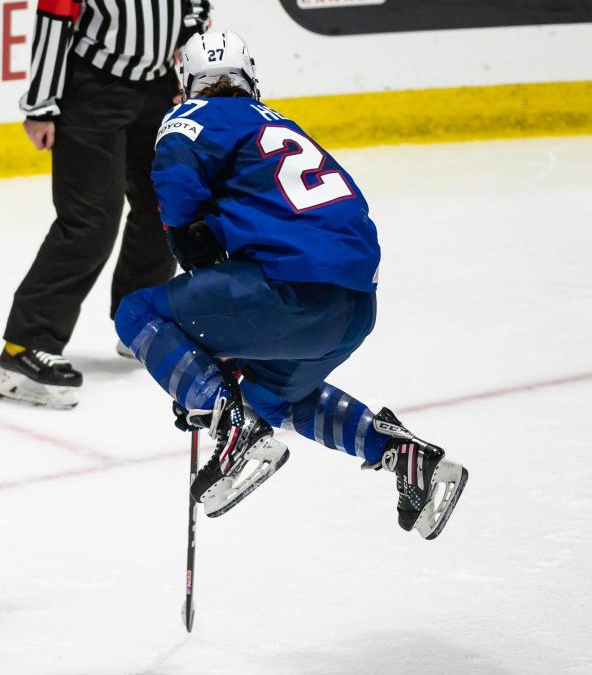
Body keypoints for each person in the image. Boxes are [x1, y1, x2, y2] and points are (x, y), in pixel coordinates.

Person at [114, 30, 468, 537]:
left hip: (288, 291)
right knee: (269, 398)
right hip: (354, 307)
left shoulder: (191, 116)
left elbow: (175, 183)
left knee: (136, 312)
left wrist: (199, 380)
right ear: (249, 78)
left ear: (188, 82)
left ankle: (233, 428)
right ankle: (402, 453)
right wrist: (210, 369)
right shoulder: (280, 125)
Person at [0, 0, 211, 409]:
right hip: (91, 88)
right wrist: (41, 105)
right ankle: (25, 345)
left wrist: (191, 76)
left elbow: (193, 2)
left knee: (168, 201)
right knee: (91, 219)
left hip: (157, 85)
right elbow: (54, 20)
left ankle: (141, 320)